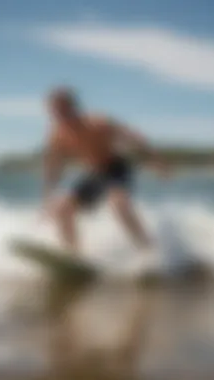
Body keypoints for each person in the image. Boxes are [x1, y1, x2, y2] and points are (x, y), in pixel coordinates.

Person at [42, 87, 169, 273]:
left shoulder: (97, 122)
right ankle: (72, 258)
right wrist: (47, 197)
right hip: (94, 174)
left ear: (72, 107)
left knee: (119, 205)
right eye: (54, 110)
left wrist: (156, 160)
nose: (58, 114)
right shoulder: (57, 135)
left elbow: (132, 137)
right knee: (62, 209)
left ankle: (148, 251)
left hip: (116, 168)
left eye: (62, 109)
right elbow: (53, 165)